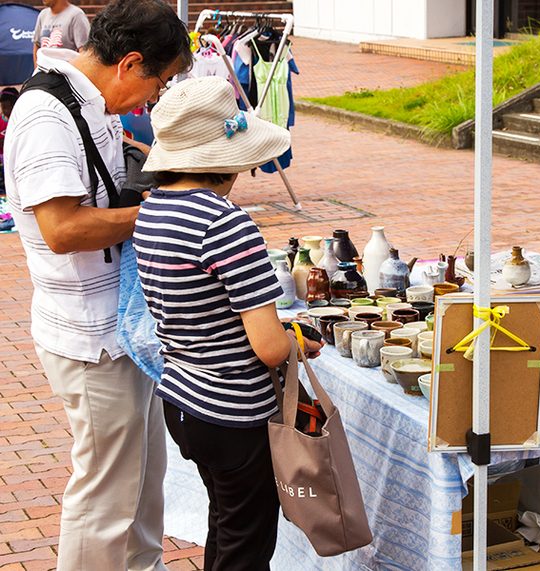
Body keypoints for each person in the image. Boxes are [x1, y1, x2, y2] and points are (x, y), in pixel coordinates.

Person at [4, 0, 194, 569]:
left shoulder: (87, 103)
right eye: (159, 83)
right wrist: (165, 214)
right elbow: (63, 229)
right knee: (105, 497)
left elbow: (97, 193)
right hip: (90, 337)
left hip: (120, 329)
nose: (154, 98)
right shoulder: (46, 115)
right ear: (130, 64)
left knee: (141, 481)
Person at [134, 75, 323, 570]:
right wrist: (296, 338)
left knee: (226, 525)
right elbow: (269, 348)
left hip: (183, 399)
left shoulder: (153, 209)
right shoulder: (224, 222)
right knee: (246, 546)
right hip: (234, 410)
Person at [32, 0, 90, 66]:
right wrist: (37, 71)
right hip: (44, 72)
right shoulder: (43, 15)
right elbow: (37, 45)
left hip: (65, 72)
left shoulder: (76, 15)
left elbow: (84, 50)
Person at [1, 87, 19, 195]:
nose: (6, 111)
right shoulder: (1, 122)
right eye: (3, 107)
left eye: (9, 107)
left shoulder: (19, 122)